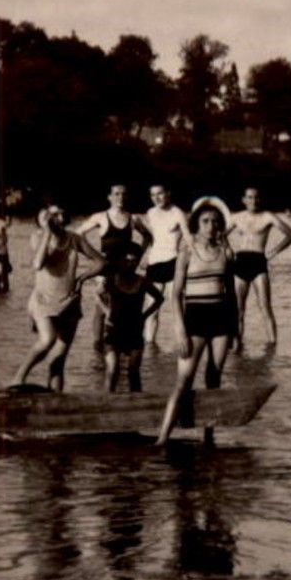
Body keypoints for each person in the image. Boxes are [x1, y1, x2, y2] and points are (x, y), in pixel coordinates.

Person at [155, 198, 239, 446]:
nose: (211, 226)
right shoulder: (187, 252)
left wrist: (235, 327)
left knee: (214, 378)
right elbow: (176, 294)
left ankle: (208, 437)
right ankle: (162, 439)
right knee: (183, 381)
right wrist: (180, 330)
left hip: (222, 319)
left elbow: (232, 294)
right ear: (196, 225)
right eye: (205, 221)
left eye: (215, 222)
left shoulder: (225, 252)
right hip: (195, 319)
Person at [8, 205, 106, 391]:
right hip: (44, 300)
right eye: (48, 215)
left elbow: (101, 262)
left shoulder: (74, 238)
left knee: (58, 360)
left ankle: (56, 400)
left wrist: (82, 278)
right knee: (47, 340)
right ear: (40, 221)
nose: (54, 217)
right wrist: (46, 231)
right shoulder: (38, 237)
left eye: (57, 213)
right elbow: (38, 264)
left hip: (70, 301)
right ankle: (17, 378)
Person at [75, 184, 152, 360]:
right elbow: (78, 235)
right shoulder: (101, 217)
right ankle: (98, 346)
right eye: (116, 194)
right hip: (105, 267)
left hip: (124, 268)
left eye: (124, 194)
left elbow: (148, 237)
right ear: (109, 197)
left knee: (124, 305)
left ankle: (120, 344)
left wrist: (138, 256)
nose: (120, 198)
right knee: (101, 306)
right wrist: (93, 257)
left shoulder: (132, 219)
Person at [227, 186, 291, 350]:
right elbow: (220, 235)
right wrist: (228, 251)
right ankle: (238, 346)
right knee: (238, 309)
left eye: (256, 197)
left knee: (265, 307)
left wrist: (273, 252)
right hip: (240, 260)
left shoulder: (268, 217)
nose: (253, 201)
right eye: (250, 197)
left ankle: (273, 346)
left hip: (259, 261)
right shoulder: (236, 217)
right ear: (243, 200)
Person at [99, 258, 164, 392]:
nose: (130, 264)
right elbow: (97, 294)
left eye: (133, 261)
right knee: (112, 370)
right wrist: (107, 311)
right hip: (114, 330)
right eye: (126, 261)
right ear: (120, 263)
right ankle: (105, 405)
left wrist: (145, 315)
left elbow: (159, 298)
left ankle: (137, 407)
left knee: (134, 372)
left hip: (134, 331)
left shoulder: (142, 281)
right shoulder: (111, 279)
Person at [142, 183, 188, 347]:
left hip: (173, 263)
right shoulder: (150, 213)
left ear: (168, 193)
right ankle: (149, 348)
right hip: (154, 264)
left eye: (160, 193)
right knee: (151, 310)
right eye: (153, 195)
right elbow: (151, 238)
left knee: (176, 309)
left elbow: (188, 240)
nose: (157, 198)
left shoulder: (178, 213)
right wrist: (142, 256)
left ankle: (182, 347)